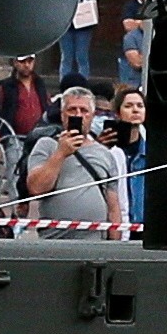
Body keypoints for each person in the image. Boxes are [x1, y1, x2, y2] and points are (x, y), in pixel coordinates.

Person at [22, 86, 124, 237]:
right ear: (63, 115)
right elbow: (36, 189)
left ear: (92, 116)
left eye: (84, 111)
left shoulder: (104, 154)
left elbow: (113, 207)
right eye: (72, 110)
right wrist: (60, 153)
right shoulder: (46, 145)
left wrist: (115, 246)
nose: (78, 115)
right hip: (55, 240)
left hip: (95, 242)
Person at [102, 84, 148, 226]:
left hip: (143, 225)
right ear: (117, 113)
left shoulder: (153, 152)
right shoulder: (108, 151)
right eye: (128, 106)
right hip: (115, 224)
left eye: (140, 106)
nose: (135, 110)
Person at [0, 54, 50, 140]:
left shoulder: (40, 83)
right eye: (22, 62)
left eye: (29, 61)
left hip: (39, 137)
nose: (27, 65)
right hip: (13, 138)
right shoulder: (5, 86)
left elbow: (47, 105)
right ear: (15, 62)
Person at [119, 0, 151, 88]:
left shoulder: (154, 5)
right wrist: (144, 23)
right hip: (132, 49)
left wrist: (136, 22)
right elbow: (128, 25)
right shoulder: (131, 5)